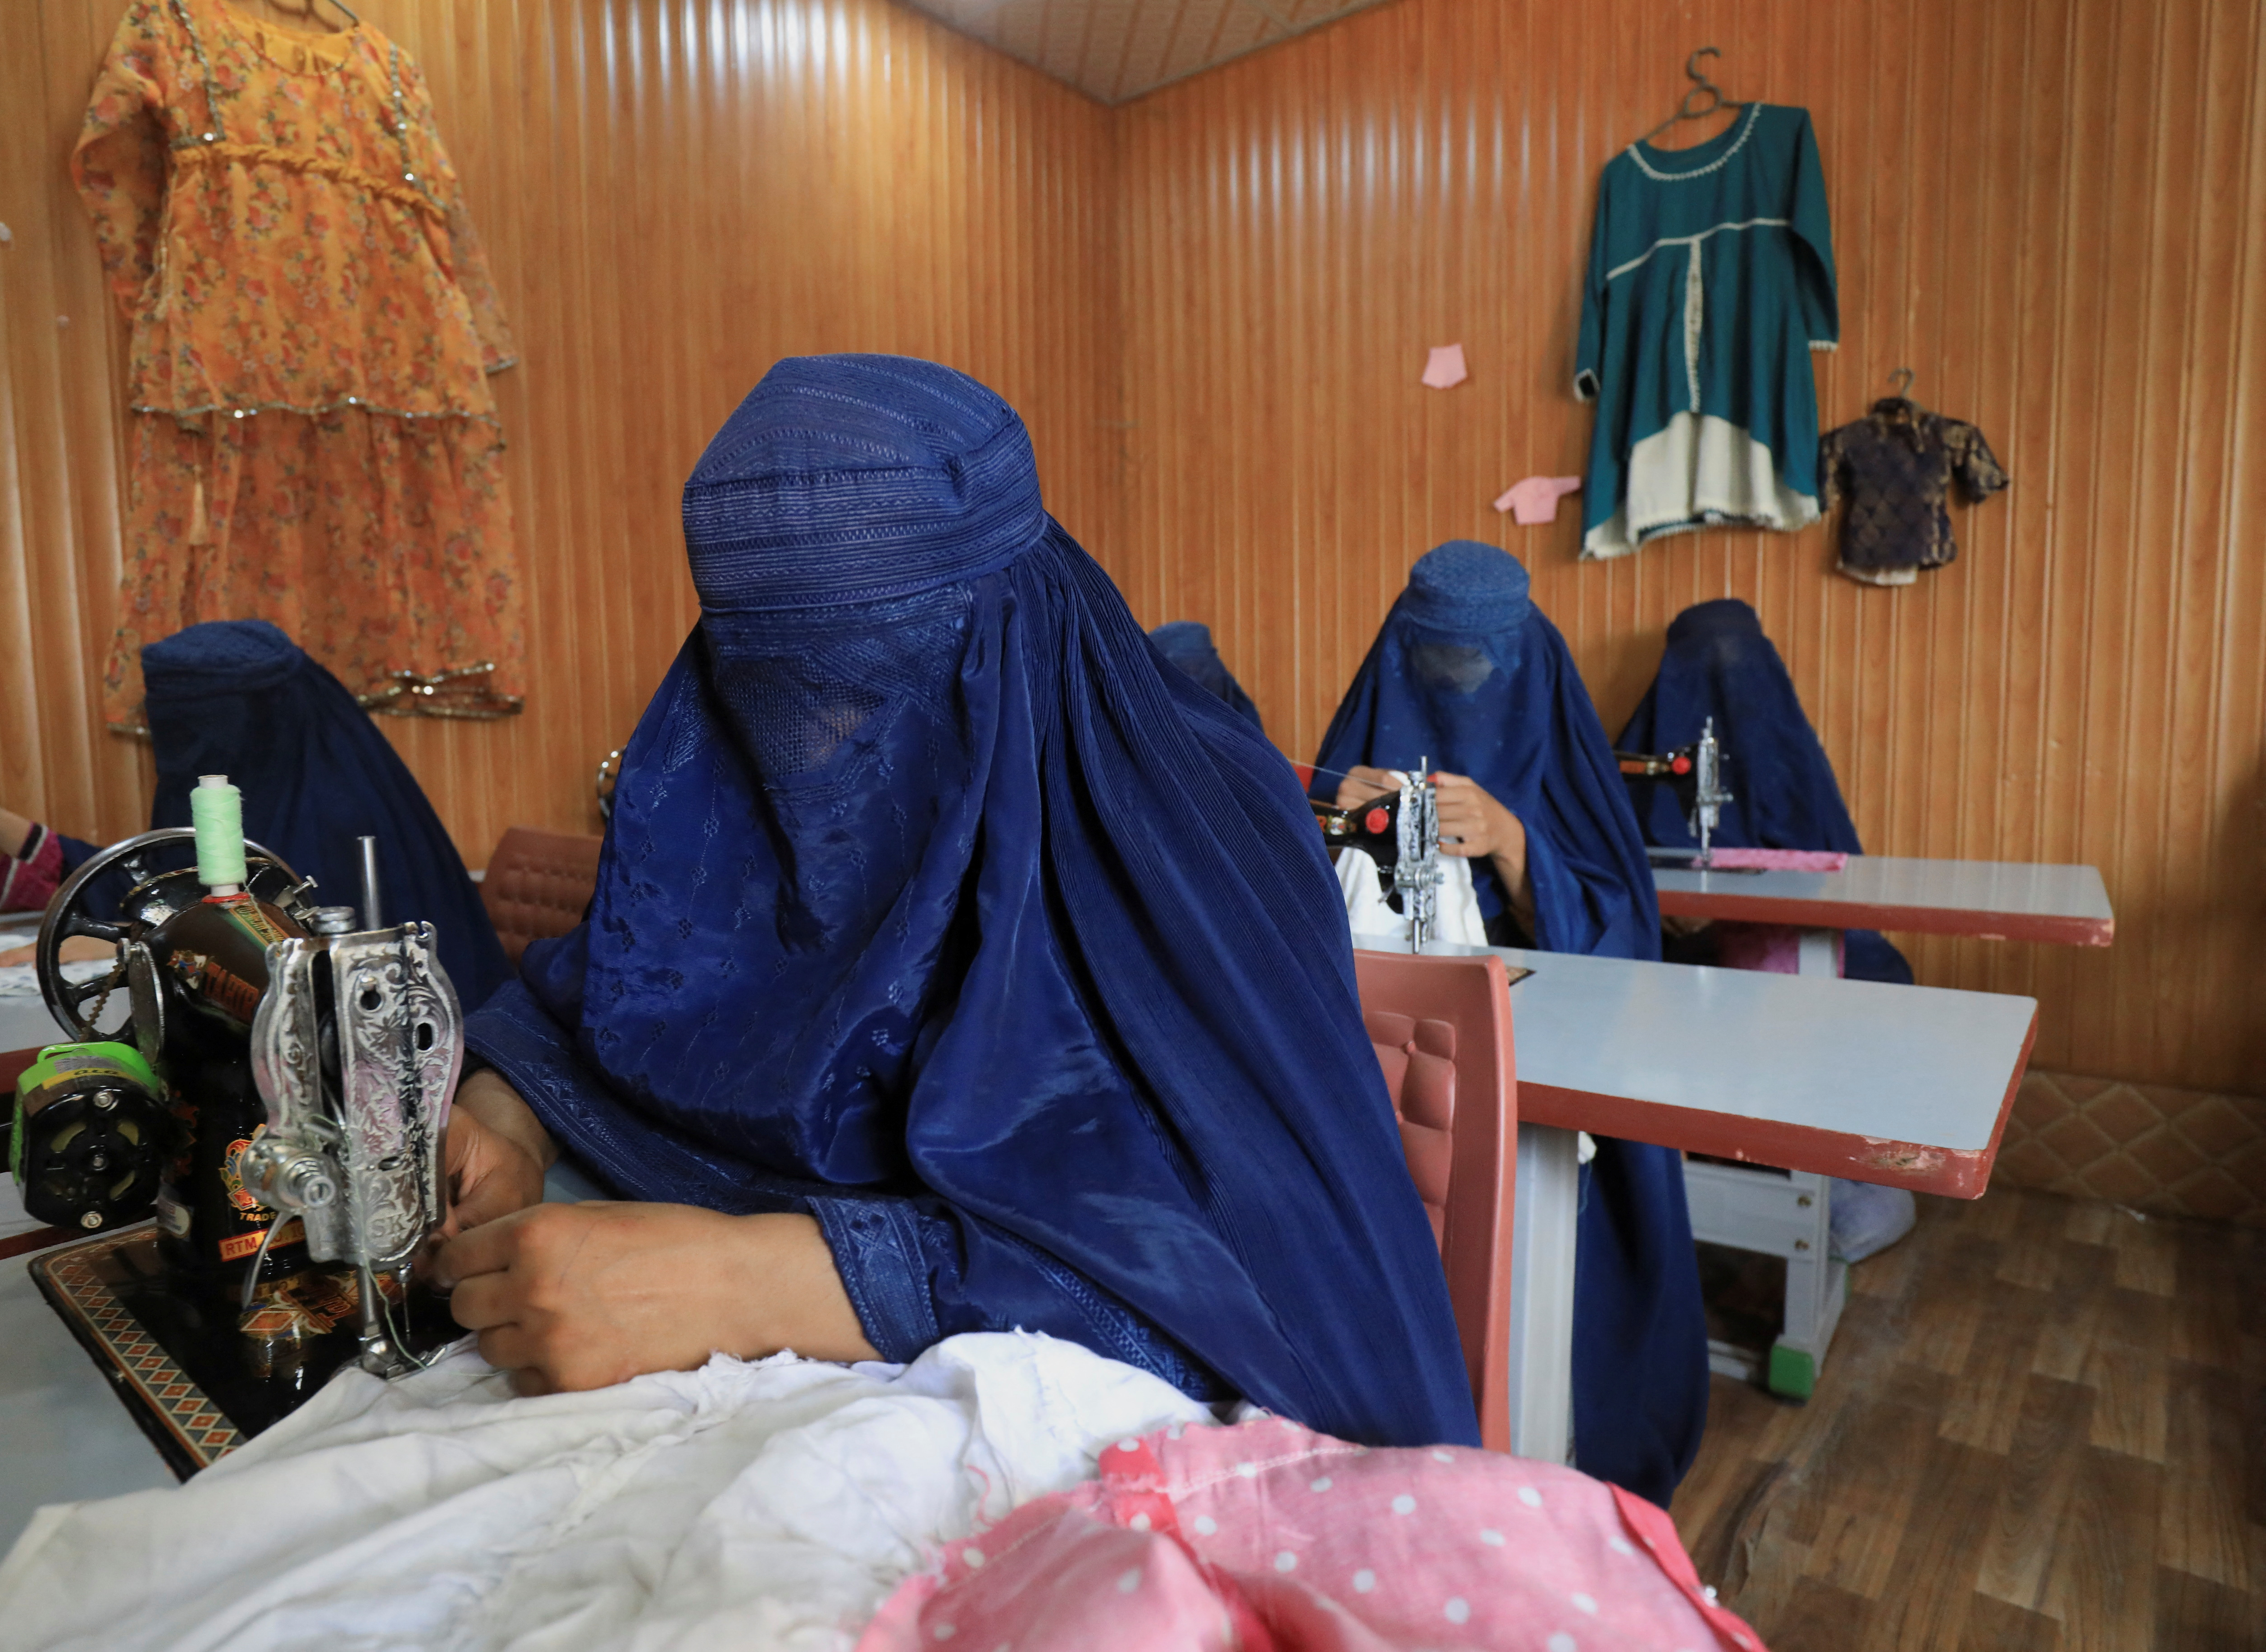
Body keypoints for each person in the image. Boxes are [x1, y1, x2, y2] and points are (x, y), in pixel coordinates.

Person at [434, 353, 1481, 1452]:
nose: (817, 741)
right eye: (774, 687)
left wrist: (764, 1278)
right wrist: (507, 1114)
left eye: (867, 678)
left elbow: (1262, 1290)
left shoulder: (1198, 825)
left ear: (1004, 627)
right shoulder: (723, 791)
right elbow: (608, 996)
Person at [1309, 540, 1705, 1505]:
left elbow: (1627, 929)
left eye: (1482, 664)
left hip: (1543, 1074)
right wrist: (1322, 821)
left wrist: (1517, 846)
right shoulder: (1355, 749)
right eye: (1434, 664)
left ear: (1524, 654)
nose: (1461, 687)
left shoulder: (1560, 751)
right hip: (1388, 1081)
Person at [0, 619, 511, 1007]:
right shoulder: (234, 777)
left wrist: (137, 950)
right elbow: (157, 883)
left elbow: (307, 965)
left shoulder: (339, 812)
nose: (179, 742)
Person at [1617, 597, 1918, 1260]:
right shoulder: (1645, 749)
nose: (1719, 679)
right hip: (1687, 954)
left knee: (1871, 981)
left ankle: (1812, 1175)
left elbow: (1838, 869)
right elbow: (1614, 872)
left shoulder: (1783, 749)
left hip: (1798, 948)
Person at [1148, 621, 1263, 728]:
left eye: (1199, 668)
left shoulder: (1245, 725)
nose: (1195, 682)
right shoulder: (1142, 734)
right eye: (1183, 672)